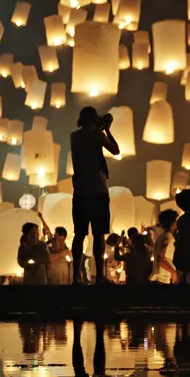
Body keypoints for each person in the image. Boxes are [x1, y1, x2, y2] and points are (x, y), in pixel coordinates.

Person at [69, 107, 120, 285]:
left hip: (80, 190)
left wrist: (100, 126)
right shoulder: (97, 134)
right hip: (97, 189)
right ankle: (99, 276)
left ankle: (75, 276)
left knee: (79, 234)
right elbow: (115, 150)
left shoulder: (74, 136)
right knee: (99, 234)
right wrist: (107, 128)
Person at [151, 211, 179, 284]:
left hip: (160, 278)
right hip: (163, 279)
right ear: (172, 222)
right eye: (175, 220)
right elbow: (161, 260)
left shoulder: (161, 236)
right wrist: (174, 272)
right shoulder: (167, 237)